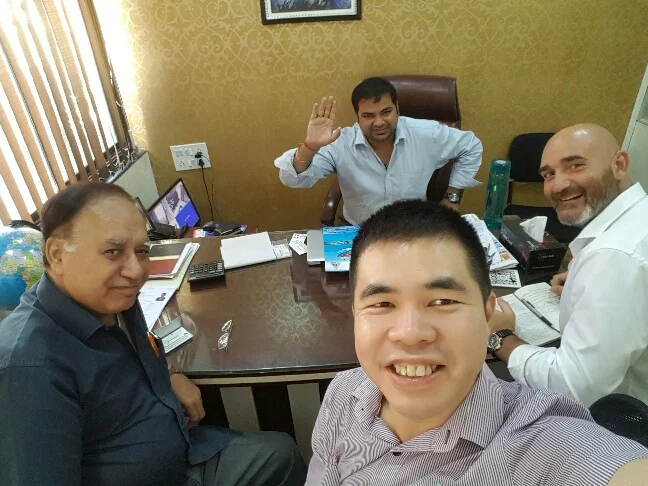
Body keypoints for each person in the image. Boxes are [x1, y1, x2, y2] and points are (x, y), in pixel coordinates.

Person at [305, 200, 648, 486]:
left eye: (442, 301)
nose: (410, 333)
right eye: (382, 304)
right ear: (356, 314)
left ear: (487, 314)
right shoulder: (343, 392)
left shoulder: (539, 447)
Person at [0, 183, 306, 486]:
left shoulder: (110, 297)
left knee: (281, 454)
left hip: (185, 450)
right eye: (113, 252)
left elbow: (133, 352)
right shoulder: (28, 367)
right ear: (56, 255)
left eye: (142, 251)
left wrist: (168, 373)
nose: (135, 272)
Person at [488, 123, 648, 407]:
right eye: (548, 174)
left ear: (619, 165)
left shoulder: (614, 257)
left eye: (575, 165)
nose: (558, 186)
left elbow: (573, 387)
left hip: (621, 415)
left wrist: (500, 337)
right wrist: (580, 280)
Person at [274, 77, 483, 224]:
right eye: (368, 116)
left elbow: (471, 146)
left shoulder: (426, 134)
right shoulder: (341, 143)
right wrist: (310, 146)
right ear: (357, 116)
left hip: (411, 231)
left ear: (397, 109)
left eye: (386, 112)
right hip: (360, 232)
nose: (379, 122)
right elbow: (291, 179)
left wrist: (452, 196)